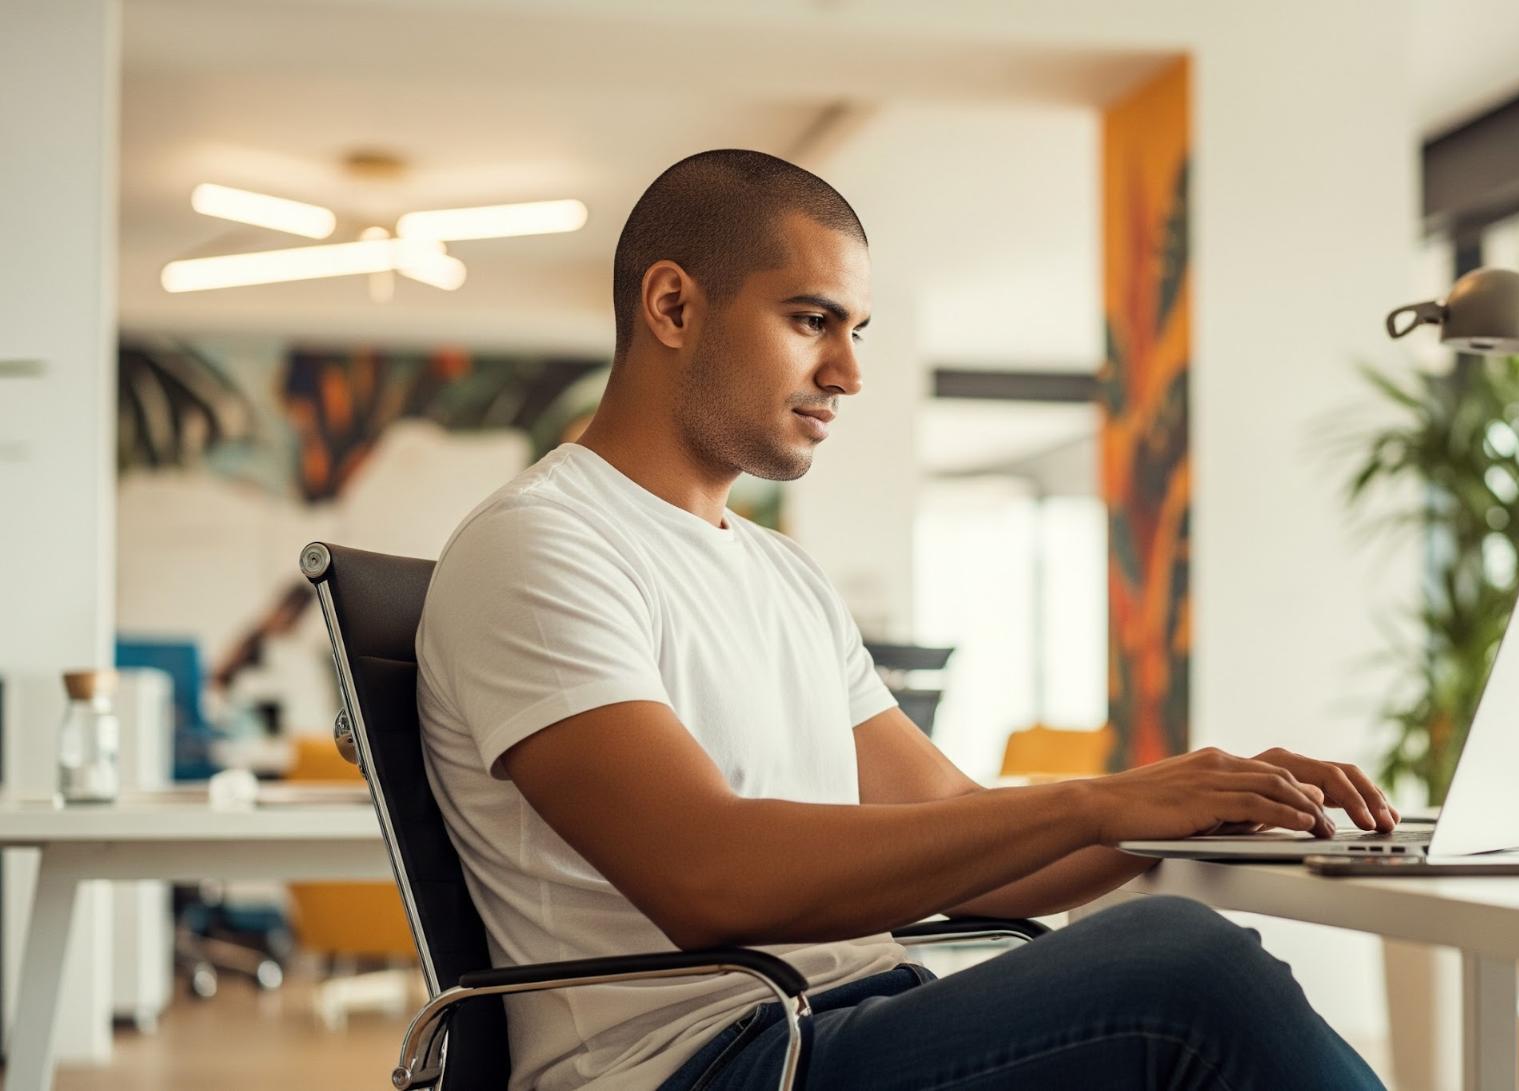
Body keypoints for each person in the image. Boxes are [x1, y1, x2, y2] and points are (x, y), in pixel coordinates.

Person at [416, 149, 1395, 1091]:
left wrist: (1202, 803)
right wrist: (1097, 800)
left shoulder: (780, 574)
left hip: (844, 1022)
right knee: (1187, 966)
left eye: (858, 330)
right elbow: (709, 878)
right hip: (706, 1061)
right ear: (673, 305)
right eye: (811, 320)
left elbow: (972, 852)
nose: (847, 371)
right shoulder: (540, 545)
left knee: (1182, 963)